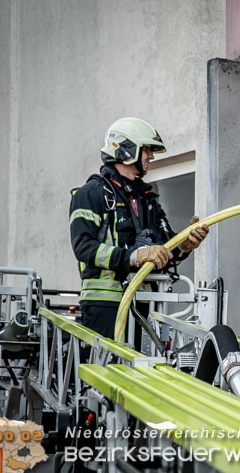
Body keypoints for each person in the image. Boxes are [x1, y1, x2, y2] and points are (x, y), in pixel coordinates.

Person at [69, 117, 209, 340]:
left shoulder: (147, 198)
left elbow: (165, 251)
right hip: (105, 307)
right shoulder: (91, 194)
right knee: (110, 373)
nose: (151, 156)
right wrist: (133, 257)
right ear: (127, 149)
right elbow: (83, 247)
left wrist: (186, 244)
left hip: (144, 307)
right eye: (147, 150)